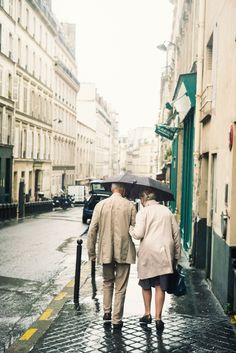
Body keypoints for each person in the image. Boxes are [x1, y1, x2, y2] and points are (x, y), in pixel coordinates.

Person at [129, 190, 181, 332]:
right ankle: (158, 318)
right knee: (160, 285)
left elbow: (138, 234)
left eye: (141, 197)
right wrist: (177, 256)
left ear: (144, 198)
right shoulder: (167, 212)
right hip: (164, 253)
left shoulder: (143, 213)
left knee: (146, 285)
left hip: (148, 254)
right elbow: (176, 235)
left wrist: (131, 229)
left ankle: (147, 314)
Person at [87, 183, 136, 330]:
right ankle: (116, 319)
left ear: (112, 189)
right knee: (120, 286)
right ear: (122, 190)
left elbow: (92, 231)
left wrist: (92, 253)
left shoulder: (100, 205)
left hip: (105, 250)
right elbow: (135, 228)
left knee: (107, 282)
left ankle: (107, 312)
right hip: (124, 250)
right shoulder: (130, 206)